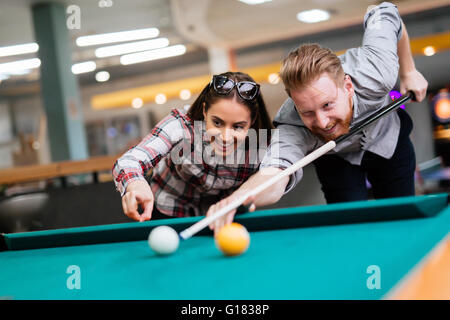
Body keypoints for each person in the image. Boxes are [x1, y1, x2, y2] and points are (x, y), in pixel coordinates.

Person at [206, 2, 428, 231]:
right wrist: (240, 197)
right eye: (308, 112)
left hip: (388, 143)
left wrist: (408, 71)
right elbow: (274, 174)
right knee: (349, 230)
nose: (322, 122)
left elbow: (385, 12)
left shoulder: (375, 72)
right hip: (335, 160)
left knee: (400, 221)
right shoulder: (291, 124)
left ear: (348, 87)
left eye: (328, 105)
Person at [112, 71, 274, 223]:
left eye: (238, 127)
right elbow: (130, 160)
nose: (225, 137)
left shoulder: (263, 144)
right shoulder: (181, 126)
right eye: (217, 123)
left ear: (251, 121)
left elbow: (275, 178)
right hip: (169, 211)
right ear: (204, 111)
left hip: (224, 214)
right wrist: (136, 184)